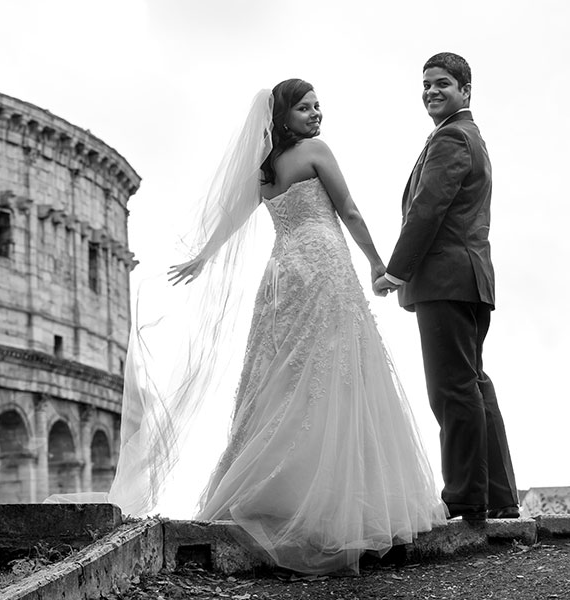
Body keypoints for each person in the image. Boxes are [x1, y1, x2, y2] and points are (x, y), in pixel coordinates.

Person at [107, 79, 445, 576]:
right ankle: (341, 509)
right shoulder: (315, 152)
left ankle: (281, 498)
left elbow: (233, 216)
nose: (316, 114)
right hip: (325, 268)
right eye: (305, 107)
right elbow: (348, 210)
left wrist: (202, 257)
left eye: (318, 106)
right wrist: (378, 263)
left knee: (283, 379)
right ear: (283, 116)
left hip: (283, 274)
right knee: (339, 373)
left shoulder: (264, 171)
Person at [373, 52, 519, 522]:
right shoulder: (469, 136)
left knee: (451, 391)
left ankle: (463, 498)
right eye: (426, 85)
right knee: (474, 385)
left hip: (447, 280)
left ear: (465, 91)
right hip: (469, 281)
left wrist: (395, 271)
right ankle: (498, 496)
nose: (431, 92)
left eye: (442, 84)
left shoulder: (453, 137)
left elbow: (428, 208)